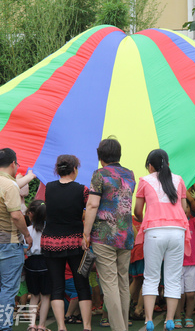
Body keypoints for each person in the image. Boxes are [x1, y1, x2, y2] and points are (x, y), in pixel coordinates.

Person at [82, 138, 136, 331]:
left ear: (100, 156)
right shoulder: (130, 174)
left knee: (110, 284)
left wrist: (86, 233)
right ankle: (123, 327)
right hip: (126, 234)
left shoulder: (99, 174)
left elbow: (93, 204)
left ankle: (119, 329)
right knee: (122, 282)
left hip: (104, 235)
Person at [133, 149, 190, 331]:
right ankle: (170, 320)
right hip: (178, 232)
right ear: (168, 164)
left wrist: (147, 219)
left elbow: (137, 211)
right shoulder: (179, 180)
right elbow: (184, 208)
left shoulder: (144, 181)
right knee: (173, 279)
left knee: (151, 277)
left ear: (150, 166)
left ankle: (149, 320)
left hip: (154, 231)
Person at [41, 155, 92, 331]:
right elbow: (91, 209)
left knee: (57, 285)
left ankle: (61, 326)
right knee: (82, 285)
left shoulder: (49, 188)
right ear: (75, 169)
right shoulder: (82, 190)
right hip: (75, 242)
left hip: (50, 242)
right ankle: (87, 326)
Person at [0, 148, 33, 331]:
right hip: (8, 242)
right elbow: (16, 215)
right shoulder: (9, 186)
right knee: (9, 288)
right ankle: (3, 327)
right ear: (13, 164)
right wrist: (27, 235)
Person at [174, 191, 195, 329]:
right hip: (177, 264)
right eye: (182, 206)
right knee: (178, 294)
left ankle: (188, 317)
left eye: (187, 206)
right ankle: (178, 317)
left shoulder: (193, 222)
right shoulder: (174, 224)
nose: (185, 208)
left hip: (193, 263)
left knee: (190, 294)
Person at [24, 200, 51, 331]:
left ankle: (32, 324)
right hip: (46, 262)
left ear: (31, 214)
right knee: (46, 296)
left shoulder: (27, 231)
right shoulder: (49, 230)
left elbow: (24, 249)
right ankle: (41, 325)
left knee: (34, 295)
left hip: (30, 263)